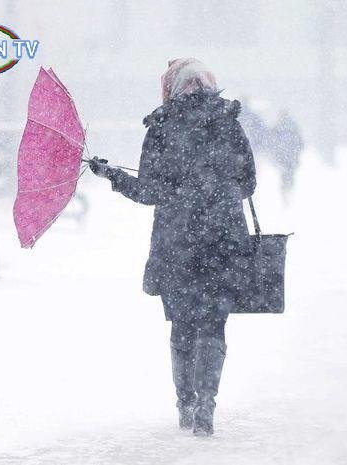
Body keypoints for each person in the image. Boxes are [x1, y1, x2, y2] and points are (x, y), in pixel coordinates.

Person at [89, 58, 256, 436]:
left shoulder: (162, 126)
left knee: (183, 325)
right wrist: (215, 190)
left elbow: (148, 192)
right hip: (223, 241)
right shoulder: (228, 122)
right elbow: (248, 183)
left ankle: (186, 403)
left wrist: (112, 174)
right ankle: (207, 404)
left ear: (171, 88)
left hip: (178, 243)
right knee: (213, 324)